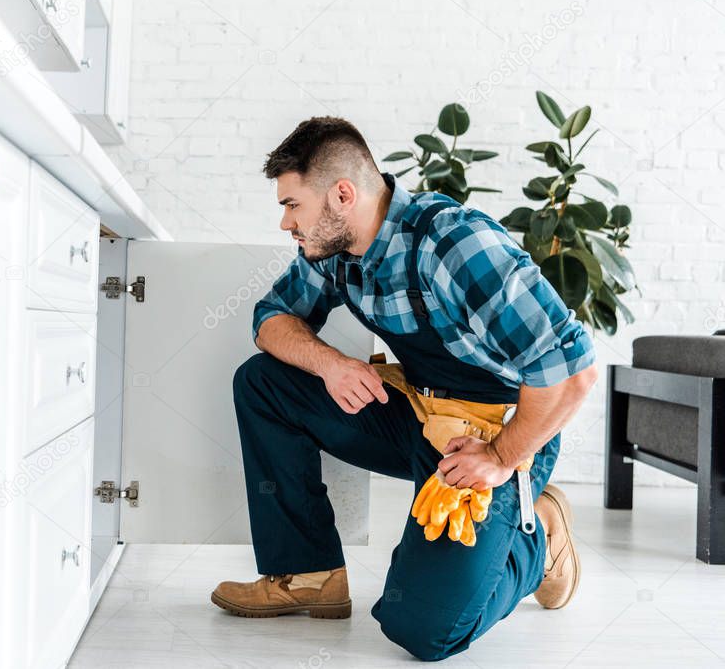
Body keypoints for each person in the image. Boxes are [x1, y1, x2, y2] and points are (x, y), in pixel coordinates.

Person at [211, 116, 598, 661]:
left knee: (422, 630)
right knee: (263, 382)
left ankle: (539, 540)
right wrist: (329, 364)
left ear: (342, 195)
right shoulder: (335, 253)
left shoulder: (456, 245)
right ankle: (308, 574)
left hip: (491, 435)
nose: (285, 223)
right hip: (416, 413)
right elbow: (271, 317)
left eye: (292, 205)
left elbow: (575, 372)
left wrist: (504, 456)